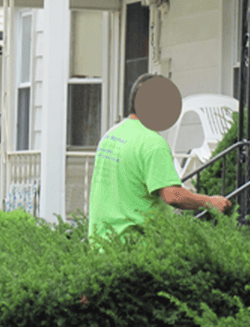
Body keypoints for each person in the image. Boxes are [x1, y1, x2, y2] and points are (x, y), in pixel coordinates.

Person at [87, 73, 232, 240]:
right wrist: (210, 202)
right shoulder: (152, 143)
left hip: (102, 242)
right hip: (136, 246)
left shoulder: (111, 134)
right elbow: (172, 195)